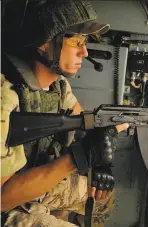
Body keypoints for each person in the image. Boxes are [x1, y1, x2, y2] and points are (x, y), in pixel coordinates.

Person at [1, 0, 129, 226]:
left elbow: (84, 122)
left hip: (31, 176)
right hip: (7, 200)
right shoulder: (6, 94)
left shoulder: (56, 86)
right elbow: (2, 198)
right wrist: (75, 158)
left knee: (102, 196)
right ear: (44, 43)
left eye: (85, 41)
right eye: (77, 41)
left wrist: (102, 145)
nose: (84, 51)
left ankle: (58, 214)